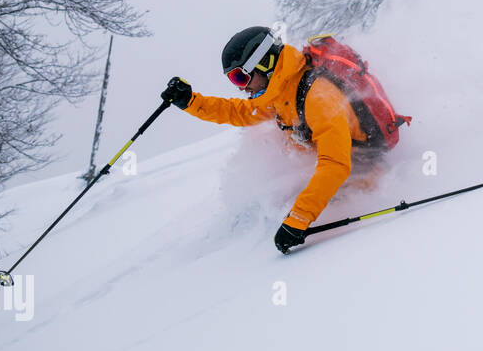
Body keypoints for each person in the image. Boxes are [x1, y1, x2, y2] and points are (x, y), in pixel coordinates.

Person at [161, 26, 380, 254]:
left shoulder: (318, 96)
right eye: (234, 81)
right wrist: (190, 101)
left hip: (364, 170)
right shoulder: (281, 90)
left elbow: (335, 165)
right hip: (331, 168)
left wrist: (298, 219)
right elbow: (242, 112)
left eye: (241, 77)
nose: (242, 88)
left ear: (264, 63)